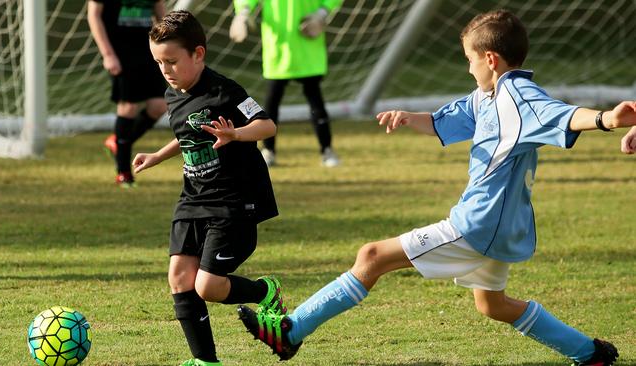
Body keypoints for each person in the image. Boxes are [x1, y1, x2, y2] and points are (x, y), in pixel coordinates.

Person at [236, 9, 636, 365]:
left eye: (470, 60)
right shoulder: (487, 95)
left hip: (478, 223)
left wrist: (607, 119)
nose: (468, 69)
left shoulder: (519, 96)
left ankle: (290, 332)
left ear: (491, 60)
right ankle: (590, 352)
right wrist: (409, 117)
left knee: (372, 256)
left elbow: (563, 115)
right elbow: (447, 121)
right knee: (492, 304)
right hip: (503, 227)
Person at [132, 10, 288, 366]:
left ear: (198, 54)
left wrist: (235, 133)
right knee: (179, 277)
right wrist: (158, 155)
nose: (166, 70)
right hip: (194, 196)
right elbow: (188, 134)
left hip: (233, 200)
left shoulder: (225, 91)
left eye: (172, 61)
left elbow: (267, 125)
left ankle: (266, 291)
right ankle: (206, 362)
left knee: (207, 287)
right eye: (159, 62)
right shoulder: (173, 95)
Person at [229, 0, 342, 167]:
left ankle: (327, 150)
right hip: (278, 49)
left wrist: (322, 14)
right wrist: (243, 13)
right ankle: (268, 151)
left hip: (308, 48)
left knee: (316, 102)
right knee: (272, 103)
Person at [87, 0, 168, 187]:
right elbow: (94, 15)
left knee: (159, 106)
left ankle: (117, 141)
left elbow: (162, 18)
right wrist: (107, 54)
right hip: (119, 50)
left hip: (148, 48)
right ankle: (123, 172)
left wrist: (166, 46)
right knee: (128, 106)